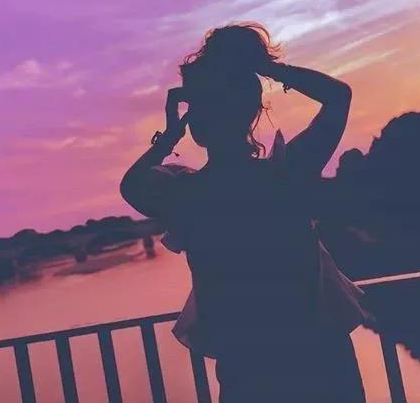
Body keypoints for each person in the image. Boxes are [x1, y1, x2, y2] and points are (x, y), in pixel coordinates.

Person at [121, 23, 367, 402]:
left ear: (196, 126)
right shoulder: (286, 174)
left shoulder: (187, 194)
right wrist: (266, 68)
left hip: (248, 370)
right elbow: (338, 96)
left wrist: (168, 136)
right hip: (319, 359)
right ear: (252, 113)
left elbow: (132, 185)